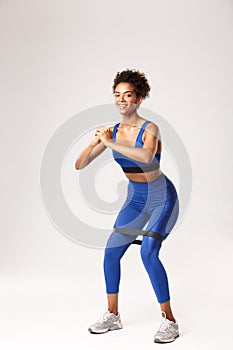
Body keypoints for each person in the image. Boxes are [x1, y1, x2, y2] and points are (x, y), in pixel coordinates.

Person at [75, 69, 180, 343]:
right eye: (117, 95)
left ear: (139, 99)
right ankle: (113, 315)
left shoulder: (150, 128)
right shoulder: (114, 131)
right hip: (135, 200)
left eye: (128, 95)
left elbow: (146, 157)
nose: (122, 100)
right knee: (111, 253)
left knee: (148, 253)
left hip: (161, 199)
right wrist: (95, 141)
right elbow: (80, 164)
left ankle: (169, 320)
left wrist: (110, 142)